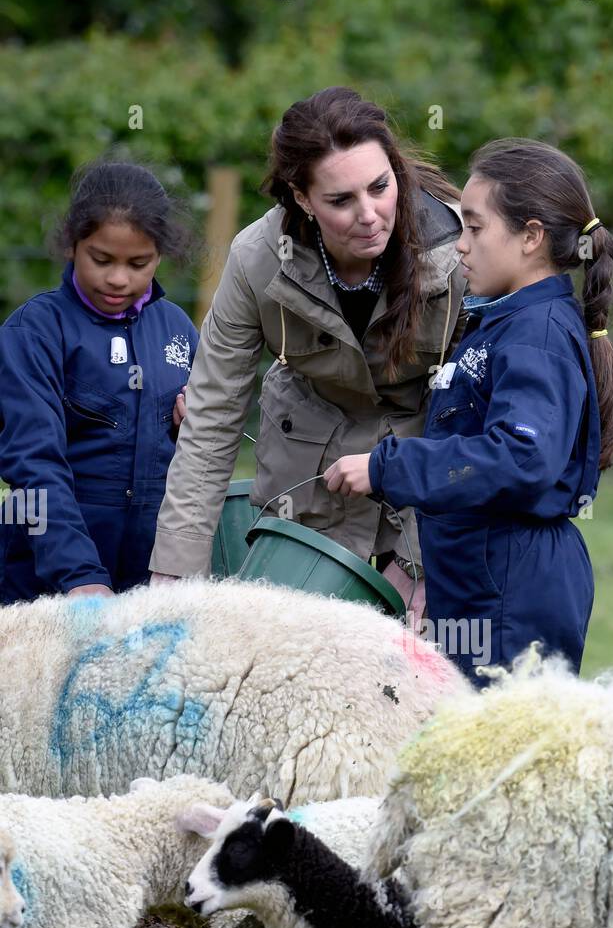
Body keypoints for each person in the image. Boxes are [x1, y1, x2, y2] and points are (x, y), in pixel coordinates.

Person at [149, 87, 468, 619]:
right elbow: (211, 415)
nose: (369, 214)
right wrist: (175, 567)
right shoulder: (255, 260)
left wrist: (420, 559)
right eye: (341, 201)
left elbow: (474, 414)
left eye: (380, 187)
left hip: (422, 490)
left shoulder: (458, 249)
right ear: (300, 197)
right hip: (306, 497)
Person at [324, 138, 613, 683]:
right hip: (479, 579)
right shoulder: (503, 324)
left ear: (531, 236)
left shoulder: (537, 335)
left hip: (514, 589)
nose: (459, 245)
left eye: (475, 227)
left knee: (503, 759)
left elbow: (521, 456)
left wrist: (387, 467)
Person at [0, 159, 197, 602]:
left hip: (153, 583)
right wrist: (80, 576)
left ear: (160, 255)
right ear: (73, 243)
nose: (117, 278)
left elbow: (203, 461)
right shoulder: (34, 333)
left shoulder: (179, 331)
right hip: (48, 586)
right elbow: (34, 465)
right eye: (102, 259)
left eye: (138, 263)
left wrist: (194, 428)